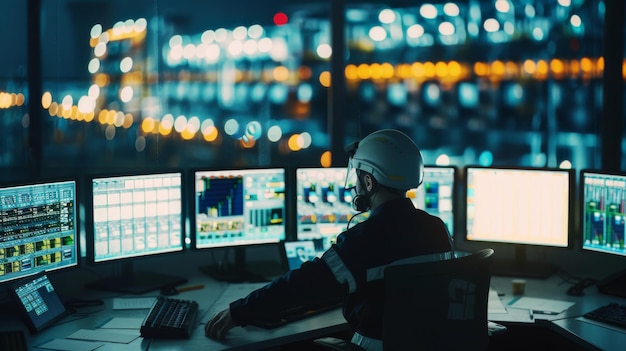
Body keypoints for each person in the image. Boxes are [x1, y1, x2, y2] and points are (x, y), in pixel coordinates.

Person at [205, 129, 453, 350]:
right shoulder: (438, 230)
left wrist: (239, 312)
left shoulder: (364, 240)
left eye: (358, 176)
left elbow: (301, 286)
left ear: (369, 181)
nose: (355, 185)